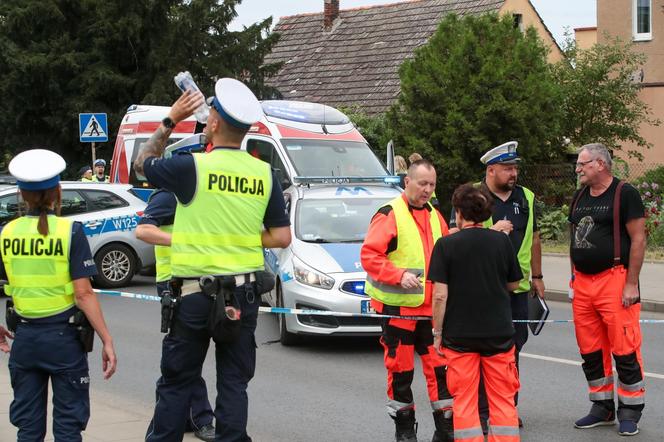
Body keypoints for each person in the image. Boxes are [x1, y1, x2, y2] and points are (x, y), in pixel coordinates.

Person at [133, 79, 291, 442]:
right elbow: (281, 237)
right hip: (243, 294)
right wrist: (238, 237)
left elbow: (143, 165)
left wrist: (171, 119)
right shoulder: (263, 173)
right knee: (234, 385)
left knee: (177, 384)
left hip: (192, 295)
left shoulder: (193, 167)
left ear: (214, 123)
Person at [1, 149, 117, 441]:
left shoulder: (7, 232)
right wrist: (107, 340)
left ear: (21, 195)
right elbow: (83, 294)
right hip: (64, 341)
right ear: (57, 192)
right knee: (68, 426)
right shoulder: (70, 231)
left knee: (28, 428)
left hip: (24, 340)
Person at [450, 141, 543, 430]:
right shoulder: (472, 197)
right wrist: (492, 231)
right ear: (491, 170)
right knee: (478, 353)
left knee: (511, 352)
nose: (513, 173)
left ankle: (506, 407)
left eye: (515, 168)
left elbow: (536, 238)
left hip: (516, 289)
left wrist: (537, 278)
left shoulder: (526, 196)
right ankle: (482, 409)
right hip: (483, 290)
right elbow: (456, 235)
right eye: (507, 168)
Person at [361, 159, 453, 442]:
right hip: (398, 310)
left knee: (440, 370)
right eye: (422, 183)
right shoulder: (390, 213)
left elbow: (447, 253)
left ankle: (445, 429)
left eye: (432, 185)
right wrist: (398, 274)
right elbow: (369, 256)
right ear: (407, 182)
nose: (427, 190)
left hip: (431, 311)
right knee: (401, 372)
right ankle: (404, 430)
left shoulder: (435, 215)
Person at [429, 183, 522, 442]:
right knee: (503, 399)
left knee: (465, 401)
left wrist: (437, 332)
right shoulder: (501, 242)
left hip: (460, 337)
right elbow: (514, 284)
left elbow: (439, 295)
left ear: (459, 212)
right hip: (498, 334)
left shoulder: (446, 245)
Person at [568, 143, 646, 436]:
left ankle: (630, 410)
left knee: (624, 348)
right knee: (590, 349)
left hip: (615, 279)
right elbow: (572, 237)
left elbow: (638, 240)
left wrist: (631, 284)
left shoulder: (625, 193)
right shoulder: (580, 196)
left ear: (600, 164)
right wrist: (572, 279)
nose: (578, 169)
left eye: (583, 164)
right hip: (583, 282)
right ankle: (601, 407)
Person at [135, 187, 216, 442]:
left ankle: (183, 418)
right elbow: (145, 229)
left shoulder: (201, 193)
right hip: (174, 282)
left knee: (185, 361)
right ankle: (197, 418)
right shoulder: (169, 196)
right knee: (181, 361)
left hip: (198, 280)